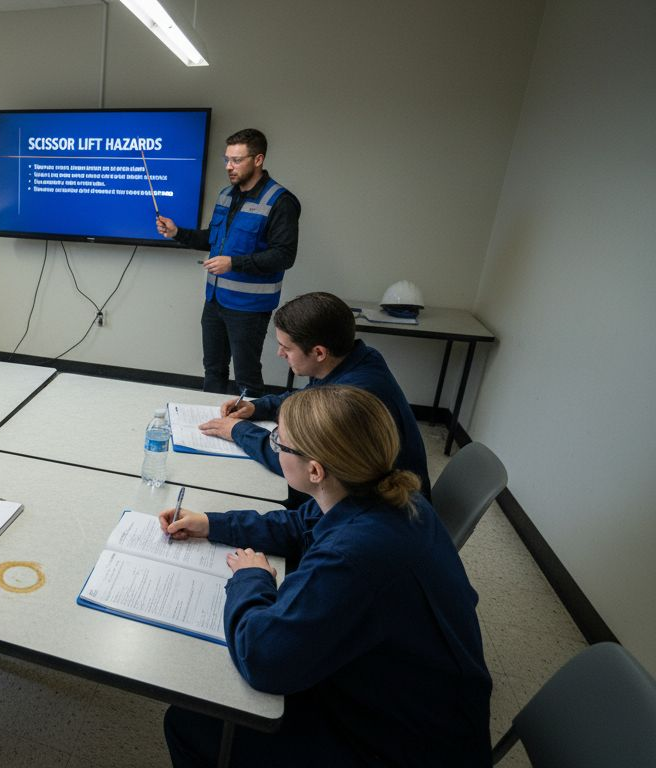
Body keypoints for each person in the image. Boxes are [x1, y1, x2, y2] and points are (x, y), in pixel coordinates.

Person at [160, 386, 491, 766]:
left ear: (315, 469)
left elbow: (263, 658)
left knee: (192, 723)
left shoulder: (353, 556)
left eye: (278, 443)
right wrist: (210, 523)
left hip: (401, 745)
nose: (275, 448)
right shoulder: (387, 494)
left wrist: (253, 579)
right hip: (411, 694)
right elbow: (297, 525)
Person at [200, 291, 431, 497]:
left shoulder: (349, 398)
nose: (281, 353)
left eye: (287, 347)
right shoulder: (356, 358)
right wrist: (258, 407)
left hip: (381, 508)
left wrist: (237, 431)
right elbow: (308, 398)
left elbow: (295, 462)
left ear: (319, 352)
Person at [156, 128, 300, 397]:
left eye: (236, 160)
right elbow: (213, 237)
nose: (229, 167)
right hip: (215, 301)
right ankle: (207, 426)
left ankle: (250, 429)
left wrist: (234, 263)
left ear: (258, 160)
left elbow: (284, 255)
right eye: (226, 160)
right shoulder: (226, 195)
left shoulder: (280, 201)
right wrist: (178, 233)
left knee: (246, 376)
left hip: (249, 307)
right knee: (213, 369)